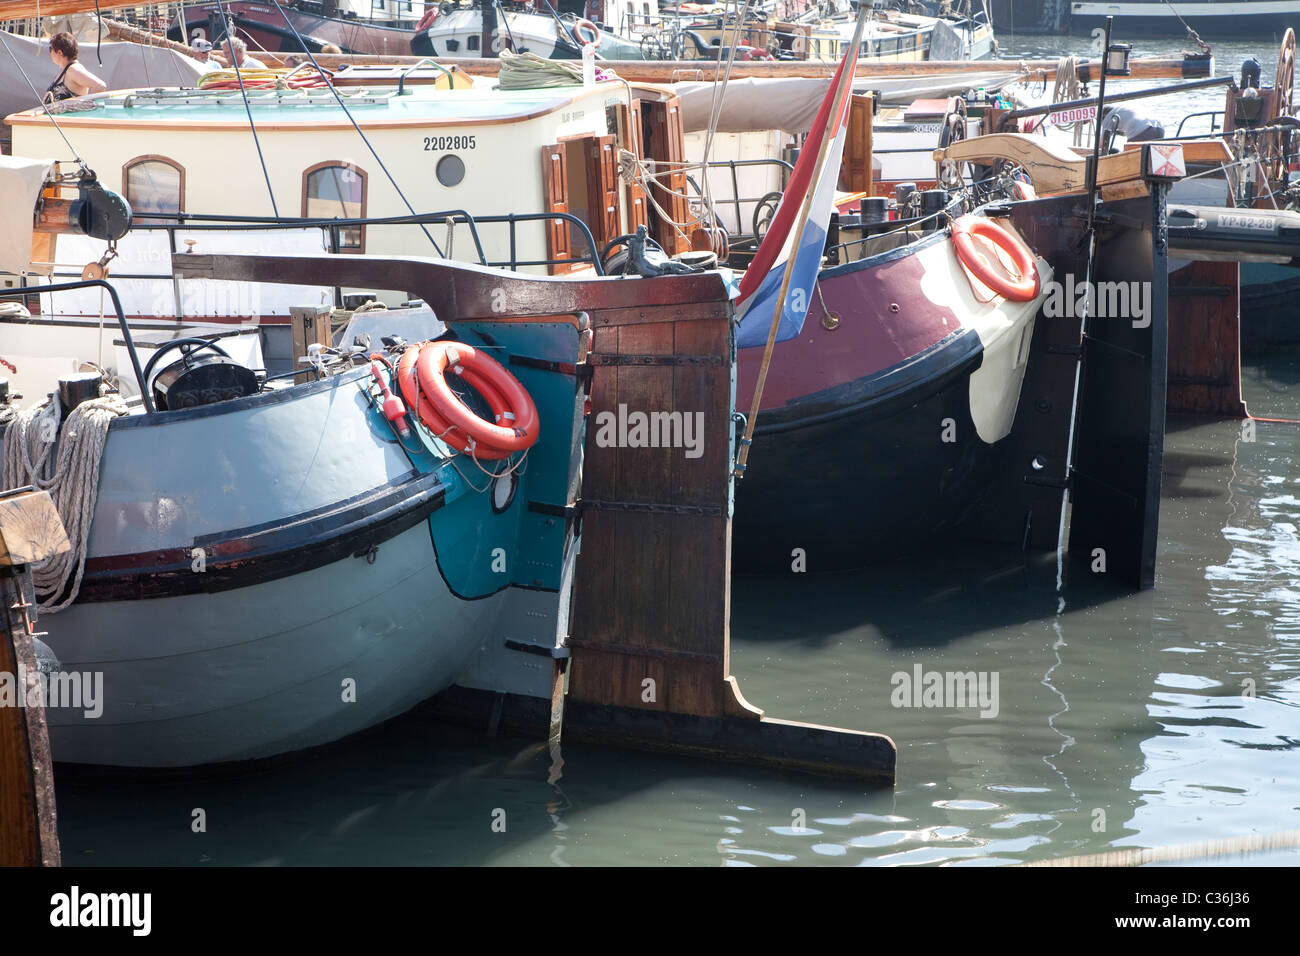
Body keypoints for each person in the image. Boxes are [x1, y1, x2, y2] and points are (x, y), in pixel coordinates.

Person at [44, 32, 107, 103]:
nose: (50, 53)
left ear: (59, 52)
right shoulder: (63, 69)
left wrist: (88, 106)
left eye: (50, 49)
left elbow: (100, 86)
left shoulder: (73, 70)